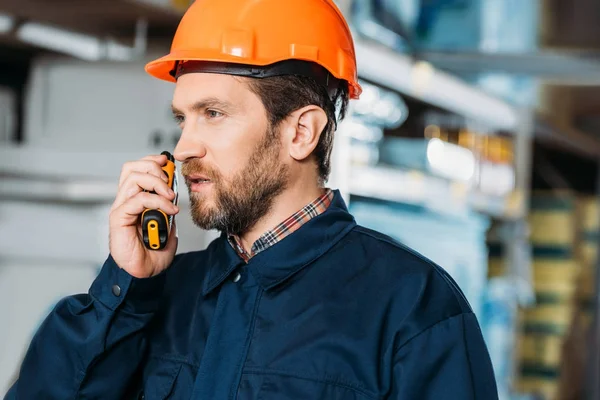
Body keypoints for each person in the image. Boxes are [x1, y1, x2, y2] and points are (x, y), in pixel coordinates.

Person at [5, 0, 498, 399]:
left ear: (301, 132)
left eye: (214, 113)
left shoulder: (415, 310)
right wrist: (125, 291)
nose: (183, 148)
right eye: (183, 118)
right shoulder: (157, 295)